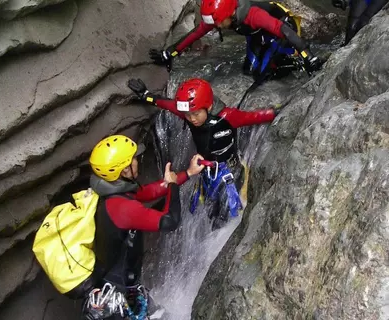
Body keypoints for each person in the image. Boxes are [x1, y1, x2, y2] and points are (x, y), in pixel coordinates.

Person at [127, 78, 282, 230]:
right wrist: (147, 95)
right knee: (211, 209)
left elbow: (253, 117)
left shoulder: (227, 117)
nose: (192, 119)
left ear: (208, 107)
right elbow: (168, 104)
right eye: (188, 115)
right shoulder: (189, 113)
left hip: (229, 172)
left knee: (225, 214)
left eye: (195, 114)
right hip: (207, 172)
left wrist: (275, 112)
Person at [86, 135, 206, 318]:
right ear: (124, 170)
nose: (137, 161)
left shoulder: (113, 193)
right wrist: (173, 186)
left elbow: (147, 192)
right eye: (133, 159)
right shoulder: (123, 209)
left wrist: (187, 173)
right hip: (117, 297)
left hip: (120, 285)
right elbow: (169, 221)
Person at [149, 0, 323, 81]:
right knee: (249, 71)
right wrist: (170, 53)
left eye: (217, 22)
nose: (215, 26)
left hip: (281, 29)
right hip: (256, 34)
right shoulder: (221, 17)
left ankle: (296, 63)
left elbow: (284, 30)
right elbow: (196, 33)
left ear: (229, 14)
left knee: (263, 74)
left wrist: (308, 55)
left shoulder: (254, 15)